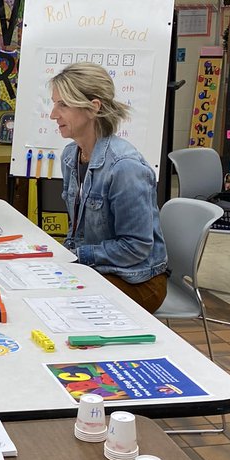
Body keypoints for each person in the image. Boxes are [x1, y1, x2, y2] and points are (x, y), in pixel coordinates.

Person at [49, 63, 168, 313]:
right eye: (54, 103)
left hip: (139, 280)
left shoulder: (124, 168)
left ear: (93, 107)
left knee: (63, 306)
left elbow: (135, 247)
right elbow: (77, 232)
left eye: (63, 105)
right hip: (98, 269)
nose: (53, 114)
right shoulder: (71, 156)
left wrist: (78, 256)